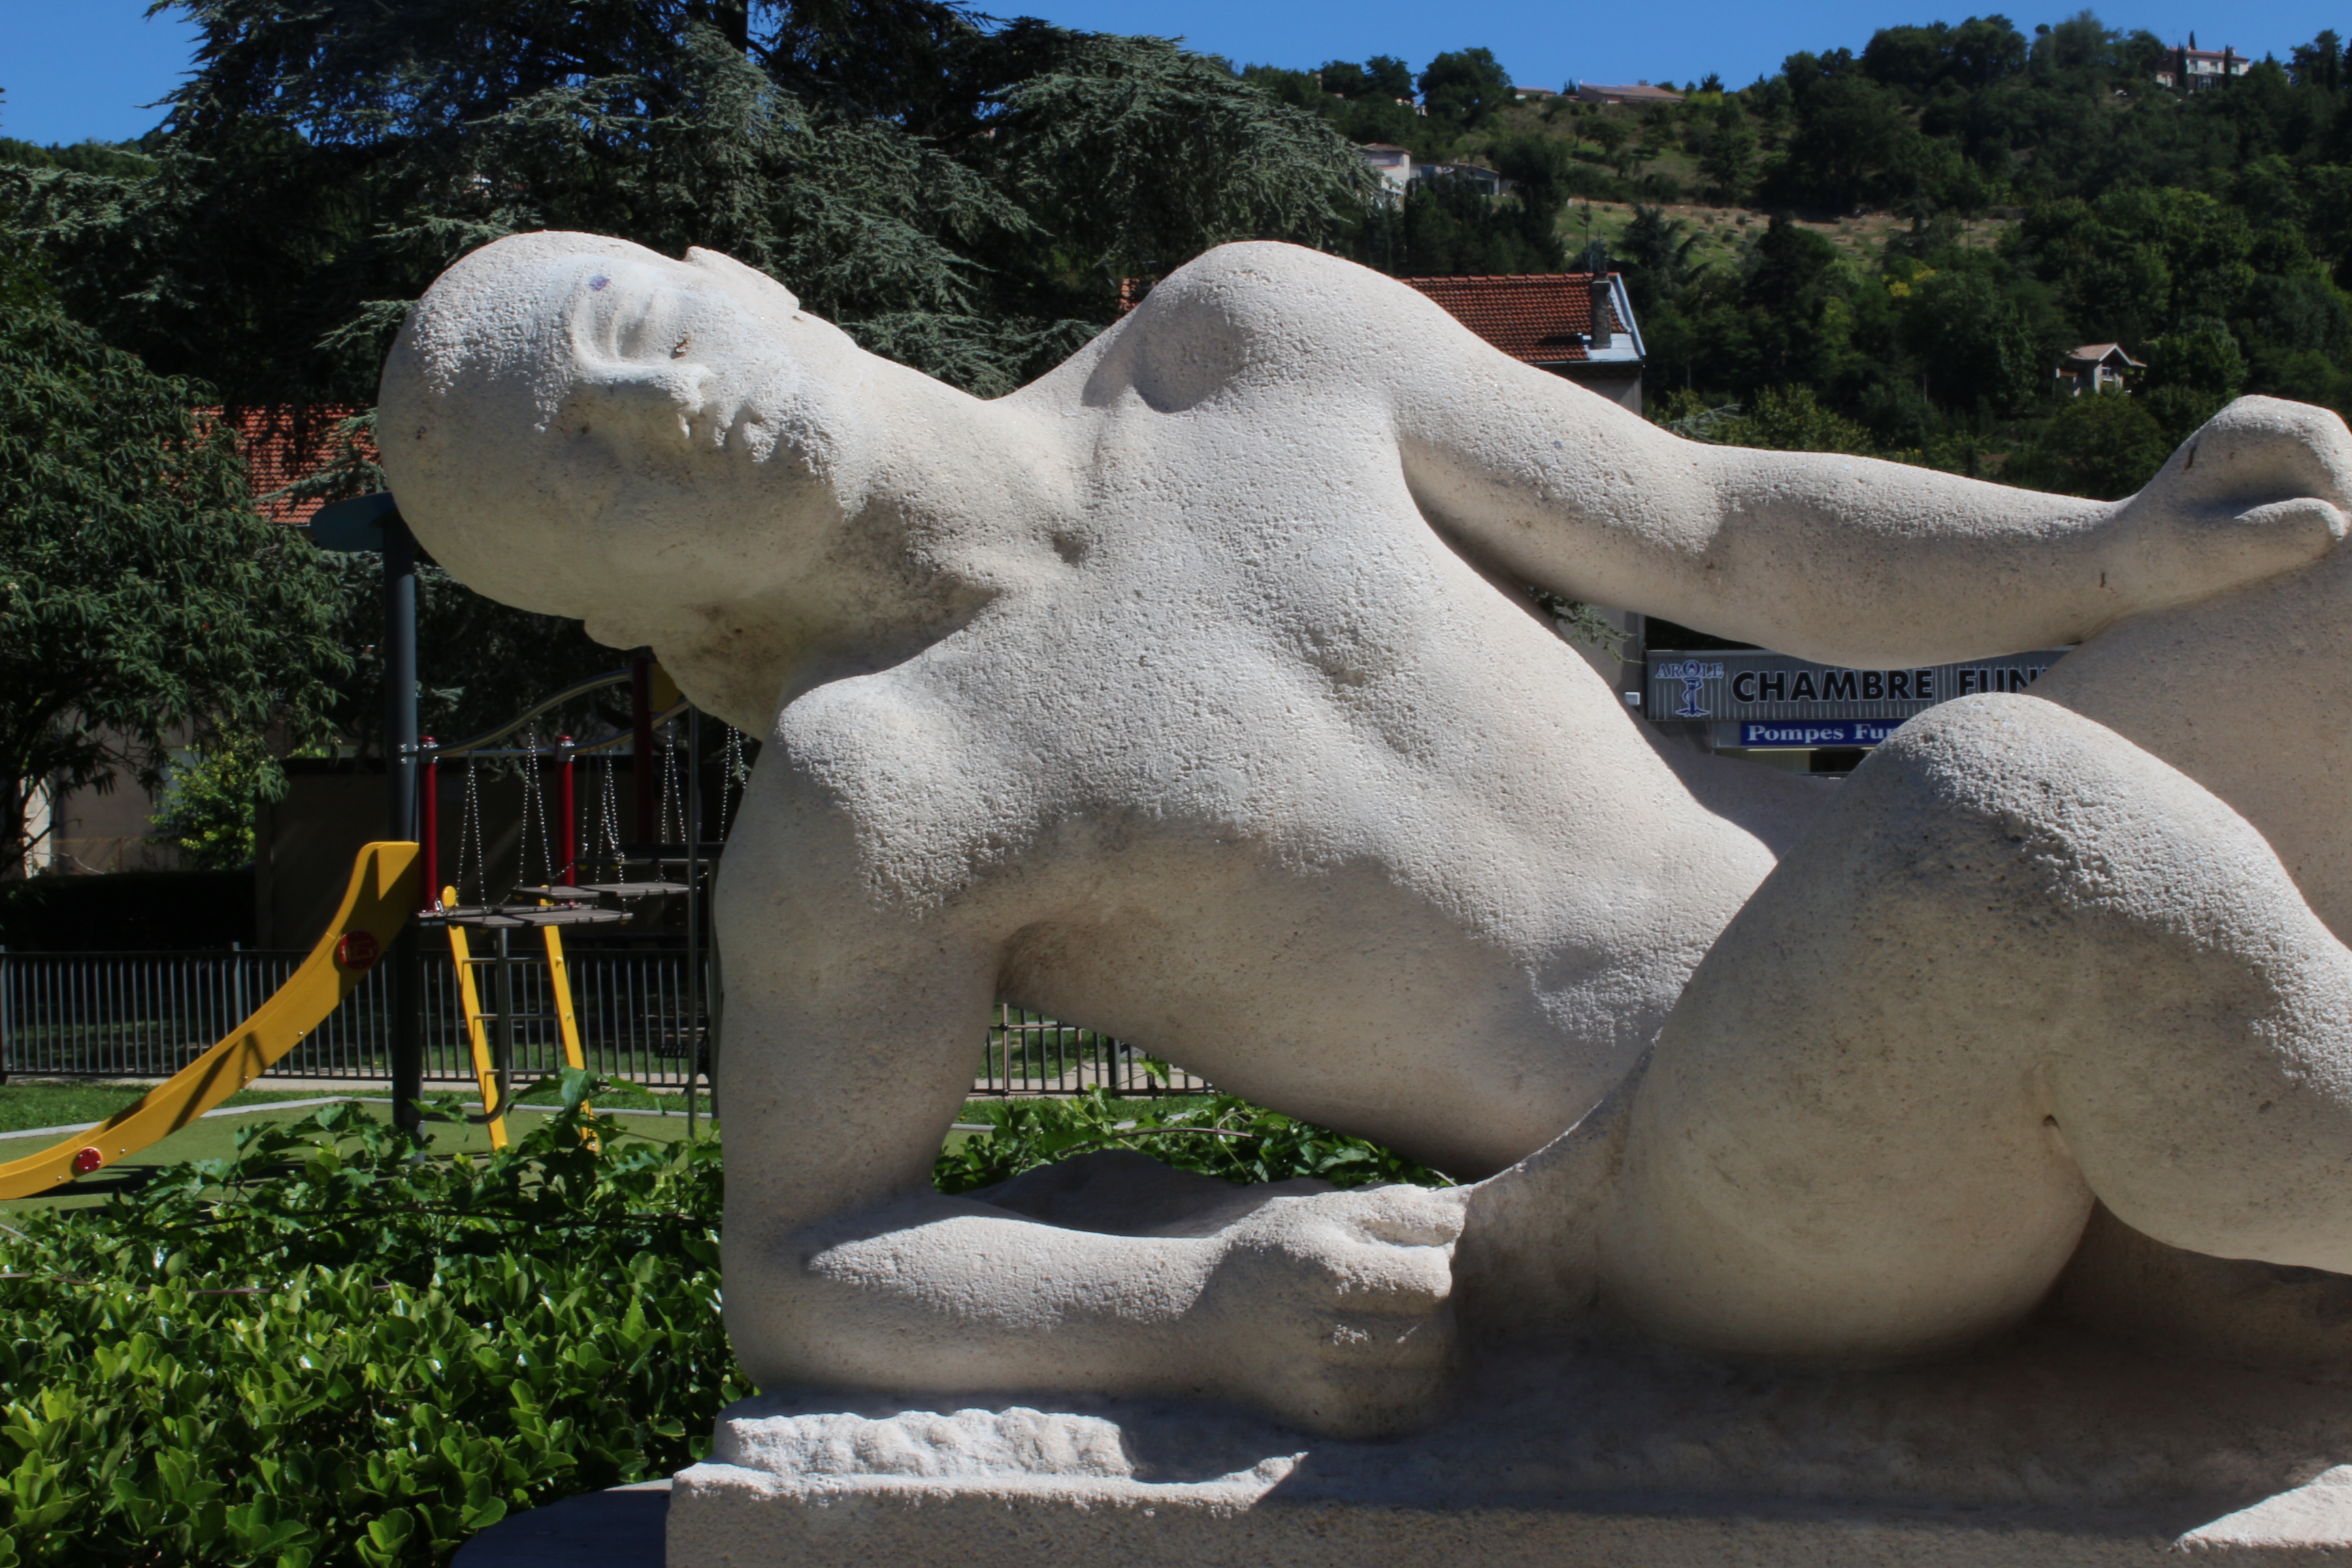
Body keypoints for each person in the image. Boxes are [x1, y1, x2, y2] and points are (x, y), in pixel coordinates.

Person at [381, 231, 2352, 1437]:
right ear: (611, 617)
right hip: (1711, 1194)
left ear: (735, 280)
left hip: (1904, 918)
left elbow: (1715, 526)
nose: (652, 399)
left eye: (632, 323)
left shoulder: (1248, 343)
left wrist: (2102, 554)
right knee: (2001, 817)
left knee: (2313, 572)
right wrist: (1198, 1306)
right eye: (579, 467)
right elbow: (800, 1267)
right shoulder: (885, 792)